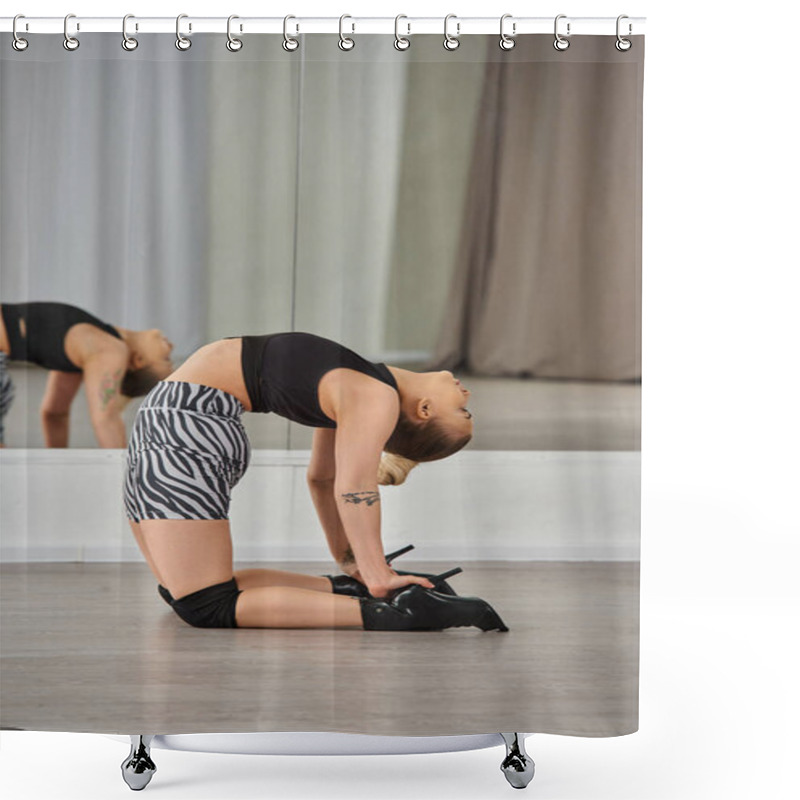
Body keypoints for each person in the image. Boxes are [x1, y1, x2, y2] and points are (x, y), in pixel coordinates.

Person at [124, 331, 507, 632]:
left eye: (463, 409)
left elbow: (354, 487)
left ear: (424, 411)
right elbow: (322, 479)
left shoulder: (375, 395)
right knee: (181, 593)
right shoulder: (365, 385)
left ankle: (399, 614)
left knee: (203, 604)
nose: (466, 392)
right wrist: (352, 566)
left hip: (185, 428)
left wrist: (376, 572)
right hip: (180, 425)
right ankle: (353, 591)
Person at [0, 301, 174, 448]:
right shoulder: (97, 343)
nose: (171, 346)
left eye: (166, 359)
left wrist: (125, 472)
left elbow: (97, 418)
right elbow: (55, 415)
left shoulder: (110, 349)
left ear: (139, 361)